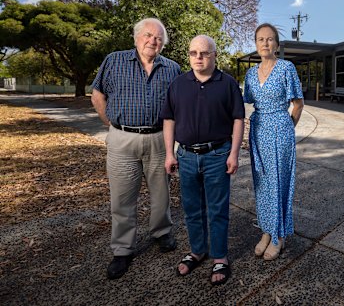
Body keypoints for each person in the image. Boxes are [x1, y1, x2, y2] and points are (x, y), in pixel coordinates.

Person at [91, 18, 181, 280]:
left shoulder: (172, 68)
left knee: (161, 194)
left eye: (158, 38)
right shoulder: (114, 60)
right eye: (148, 35)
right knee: (122, 199)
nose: (153, 41)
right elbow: (97, 95)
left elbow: (178, 107)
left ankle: (162, 233)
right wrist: (112, 124)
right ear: (136, 37)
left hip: (158, 140)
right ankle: (122, 249)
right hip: (122, 140)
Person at [161, 35, 244, 285]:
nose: (198, 57)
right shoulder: (178, 84)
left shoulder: (227, 84)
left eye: (204, 53)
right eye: (193, 53)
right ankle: (197, 251)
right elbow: (169, 119)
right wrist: (169, 152)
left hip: (218, 155)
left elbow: (238, 119)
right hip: (186, 156)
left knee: (218, 209)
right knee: (192, 209)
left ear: (214, 55)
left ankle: (220, 256)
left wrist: (234, 153)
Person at [243, 23, 304, 261]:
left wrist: (286, 129)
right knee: (262, 185)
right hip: (258, 132)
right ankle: (267, 231)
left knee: (278, 184)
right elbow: (247, 101)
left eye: (270, 39)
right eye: (260, 39)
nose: (265, 43)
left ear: (277, 44)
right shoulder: (250, 74)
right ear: (256, 44)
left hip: (280, 131)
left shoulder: (286, 68)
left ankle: (279, 236)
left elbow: (298, 104)